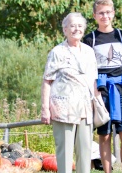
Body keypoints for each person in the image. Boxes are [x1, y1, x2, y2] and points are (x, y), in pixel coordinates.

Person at [41, 12, 98, 173]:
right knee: (64, 151)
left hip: (85, 107)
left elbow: (94, 80)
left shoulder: (89, 51)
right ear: (65, 29)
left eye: (80, 26)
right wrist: (45, 108)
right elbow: (47, 80)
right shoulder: (57, 52)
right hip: (62, 108)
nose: (76, 29)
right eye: (72, 26)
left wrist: (98, 104)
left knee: (85, 150)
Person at [83, 0, 122, 173]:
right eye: (101, 13)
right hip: (100, 91)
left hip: (121, 89)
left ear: (113, 13)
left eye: (108, 12)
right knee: (104, 135)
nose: (105, 16)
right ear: (95, 16)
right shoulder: (90, 39)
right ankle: (107, 171)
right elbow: (87, 69)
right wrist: (92, 94)